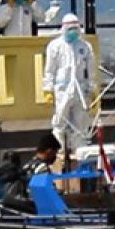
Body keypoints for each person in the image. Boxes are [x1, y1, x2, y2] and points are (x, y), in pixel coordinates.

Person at [42, 13, 95, 152]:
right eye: (70, 28)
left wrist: (93, 88)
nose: (73, 31)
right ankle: (59, 153)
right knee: (60, 121)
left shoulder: (85, 46)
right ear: (64, 28)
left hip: (80, 90)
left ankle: (80, 152)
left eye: (75, 28)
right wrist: (47, 90)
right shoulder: (55, 46)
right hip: (62, 89)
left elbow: (91, 70)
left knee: (81, 123)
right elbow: (49, 70)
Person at [0, 133, 61, 214]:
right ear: (49, 151)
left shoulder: (27, 165)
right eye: (55, 152)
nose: (55, 156)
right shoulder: (42, 168)